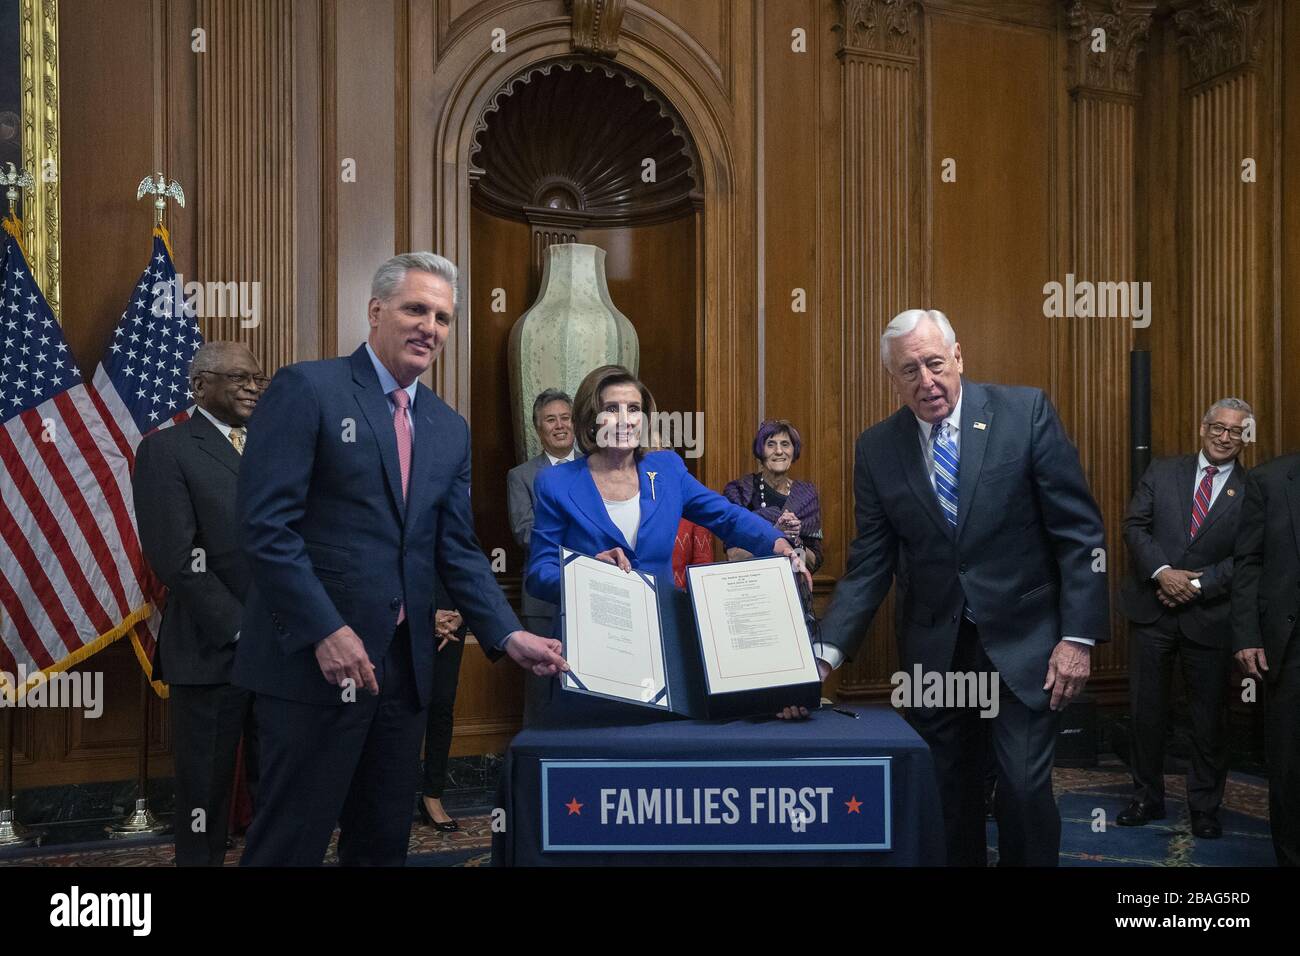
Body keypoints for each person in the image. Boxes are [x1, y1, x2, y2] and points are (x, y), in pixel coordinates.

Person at [233, 252, 566, 866]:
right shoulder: (309, 388)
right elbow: (264, 528)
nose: (429, 328)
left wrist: (507, 630)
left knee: (382, 846)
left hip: (405, 674)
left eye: (442, 317)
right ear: (376, 310)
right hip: (314, 666)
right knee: (288, 845)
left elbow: (457, 549)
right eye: (416, 309)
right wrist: (325, 629)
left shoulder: (447, 427)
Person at [812, 309, 1109, 867]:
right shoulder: (878, 447)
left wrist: (1079, 638)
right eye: (909, 371)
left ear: (958, 359)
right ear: (892, 380)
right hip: (936, 651)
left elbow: (1078, 533)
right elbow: (872, 560)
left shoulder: (1024, 414)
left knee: (1021, 789)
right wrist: (825, 655)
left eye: (934, 363)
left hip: (1029, 645)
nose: (926, 381)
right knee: (950, 793)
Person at [524, 365, 812, 715]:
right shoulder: (556, 483)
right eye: (611, 409)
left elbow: (725, 515)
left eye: (634, 410)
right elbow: (539, 572)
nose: (625, 419)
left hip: (660, 644)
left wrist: (779, 545)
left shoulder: (668, 469)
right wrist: (584, 573)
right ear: (591, 419)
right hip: (591, 651)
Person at [132, 341, 265, 866]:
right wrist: (240, 626)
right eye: (238, 378)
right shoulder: (166, 450)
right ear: (200, 385)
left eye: (257, 378)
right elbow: (174, 556)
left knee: (277, 782)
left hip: (283, 645)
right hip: (212, 648)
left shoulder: (273, 447)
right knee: (204, 796)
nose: (253, 386)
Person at [1118, 398, 1252, 839]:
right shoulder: (1162, 470)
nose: (1225, 437)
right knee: (1145, 713)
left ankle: (1205, 808)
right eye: (1218, 427)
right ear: (1203, 427)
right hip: (1152, 611)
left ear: (1244, 437)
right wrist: (1163, 573)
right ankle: (1145, 797)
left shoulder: (1253, 490)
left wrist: (1196, 585)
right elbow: (1135, 526)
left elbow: (1248, 558)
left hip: (1209, 616)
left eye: (1235, 431)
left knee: (1208, 719)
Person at [1232, 444, 1300, 867]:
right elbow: (1248, 562)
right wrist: (1246, 635)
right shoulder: (1270, 479)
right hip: (1289, 644)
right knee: (1290, 764)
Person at [506, 389, 577, 723]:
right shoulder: (521, 476)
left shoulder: (595, 469)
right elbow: (525, 532)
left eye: (565, 418)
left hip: (591, 596)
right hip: (542, 601)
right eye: (551, 420)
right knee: (540, 696)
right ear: (538, 429)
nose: (560, 425)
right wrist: (584, 542)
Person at [722, 419, 824, 574]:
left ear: (793, 450)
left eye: (785, 444)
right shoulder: (741, 492)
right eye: (771, 444)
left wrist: (795, 539)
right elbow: (734, 556)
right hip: (752, 587)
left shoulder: (807, 496)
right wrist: (774, 533)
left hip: (793, 587)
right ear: (760, 450)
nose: (778, 451)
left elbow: (812, 563)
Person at [418, 586, 466, 832]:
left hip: (452, 613)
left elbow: (469, 563)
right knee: (401, 707)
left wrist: (460, 615)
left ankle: (432, 796)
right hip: (402, 612)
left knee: (442, 705)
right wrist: (424, 615)